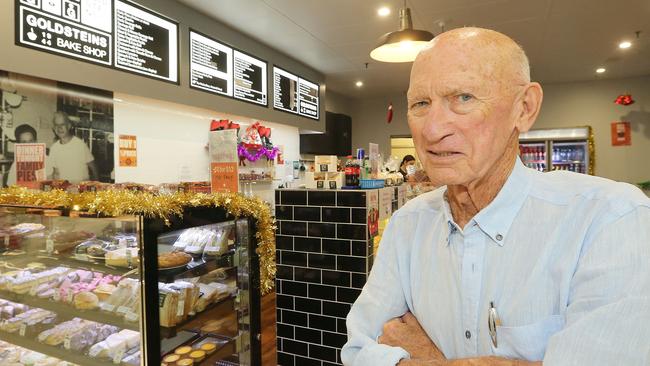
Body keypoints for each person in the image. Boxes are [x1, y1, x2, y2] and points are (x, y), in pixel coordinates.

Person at [341, 27, 650, 366]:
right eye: (421, 103)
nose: (432, 129)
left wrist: (429, 359)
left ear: (525, 108)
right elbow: (359, 350)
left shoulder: (610, 220)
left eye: (463, 98)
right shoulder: (406, 226)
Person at [49, 111, 98, 183]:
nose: (59, 128)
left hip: (81, 189)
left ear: (69, 126)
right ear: (54, 128)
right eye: (56, 125)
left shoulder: (80, 145)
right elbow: (56, 173)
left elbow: (93, 168)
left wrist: (96, 187)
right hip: (64, 189)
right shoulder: (54, 148)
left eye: (62, 124)